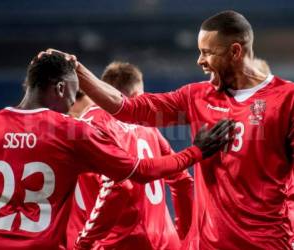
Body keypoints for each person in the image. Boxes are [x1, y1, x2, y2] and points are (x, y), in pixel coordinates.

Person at [49, 9, 294, 250]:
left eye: (207, 53)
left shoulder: (287, 100)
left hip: (266, 243)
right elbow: (128, 109)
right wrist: (77, 70)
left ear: (235, 52)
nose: (200, 61)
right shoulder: (196, 96)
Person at [0, 52, 232, 250]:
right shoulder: (73, 132)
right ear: (60, 88)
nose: (71, 106)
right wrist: (195, 152)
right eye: (73, 95)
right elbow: (139, 172)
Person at [66, 62, 194, 250]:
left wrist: (84, 242)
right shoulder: (148, 127)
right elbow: (183, 181)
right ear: (136, 95)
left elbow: (117, 187)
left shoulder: (88, 125)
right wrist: (183, 236)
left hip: (120, 244)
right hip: (167, 243)